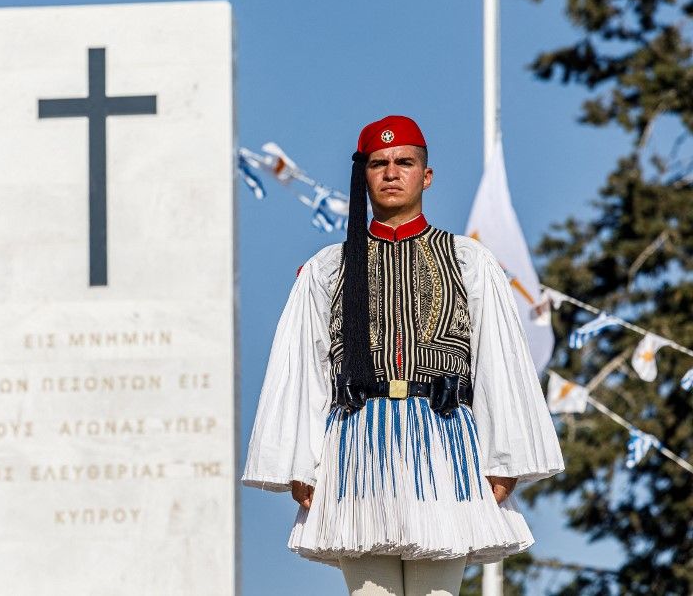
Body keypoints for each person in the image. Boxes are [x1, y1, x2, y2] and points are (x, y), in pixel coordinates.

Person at [241, 115, 564, 596]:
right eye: (379, 163)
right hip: (357, 443)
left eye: (404, 162)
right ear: (364, 175)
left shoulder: (468, 259)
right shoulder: (327, 268)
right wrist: (300, 465)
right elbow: (305, 371)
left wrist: (504, 458)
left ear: (426, 175)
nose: (391, 172)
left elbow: (499, 362)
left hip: (443, 442)